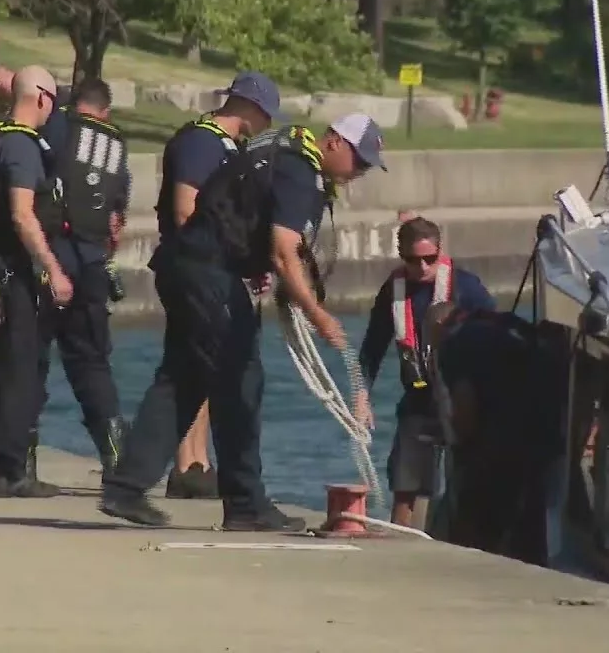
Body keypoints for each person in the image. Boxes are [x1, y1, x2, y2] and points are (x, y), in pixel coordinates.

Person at [100, 113, 385, 531]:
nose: (359, 173)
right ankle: (246, 504)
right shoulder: (299, 173)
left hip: (185, 266)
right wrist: (317, 314)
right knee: (240, 382)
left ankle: (126, 487)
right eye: (359, 161)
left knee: (183, 379)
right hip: (212, 274)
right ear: (335, 143)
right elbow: (284, 250)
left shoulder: (277, 149)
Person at [151, 71, 284, 499]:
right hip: (196, 270)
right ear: (249, 107)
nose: (266, 125)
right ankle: (187, 462)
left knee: (198, 367)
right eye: (265, 116)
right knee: (197, 365)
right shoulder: (201, 142)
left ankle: (196, 460)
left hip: (217, 271)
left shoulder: (229, 146)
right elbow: (186, 209)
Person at [0, 65, 66, 498]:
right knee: (19, 370)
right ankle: (8, 469)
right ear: (41, 98)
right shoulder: (20, 146)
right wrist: (52, 267)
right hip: (10, 271)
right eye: (53, 102)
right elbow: (22, 214)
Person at [357, 216, 495, 527]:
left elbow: (495, 333)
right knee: (407, 483)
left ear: (439, 252)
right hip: (420, 394)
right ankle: (402, 541)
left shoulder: (467, 287)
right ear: (400, 254)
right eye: (412, 260)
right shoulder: (392, 291)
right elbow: (372, 347)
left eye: (429, 259)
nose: (421, 268)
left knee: (472, 479)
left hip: (464, 396)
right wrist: (362, 395)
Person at [29, 77, 131, 473]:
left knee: (34, 359)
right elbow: (116, 221)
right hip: (91, 264)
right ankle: (115, 457)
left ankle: (23, 462)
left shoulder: (59, 125)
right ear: (105, 110)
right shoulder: (116, 144)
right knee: (91, 362)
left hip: (50, 260)